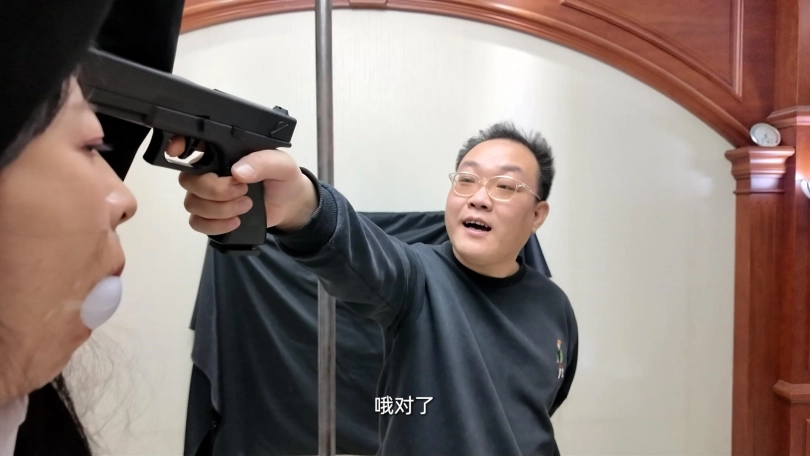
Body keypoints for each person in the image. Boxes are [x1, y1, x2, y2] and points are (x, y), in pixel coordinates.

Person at [174, 120, 579, 455]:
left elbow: (540, 411)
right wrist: (299, 204)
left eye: (504, 186)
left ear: (537, 214)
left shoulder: (554, 305)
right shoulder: (417, 277)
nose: (479, 198)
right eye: (466, 180)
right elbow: (357, 252)